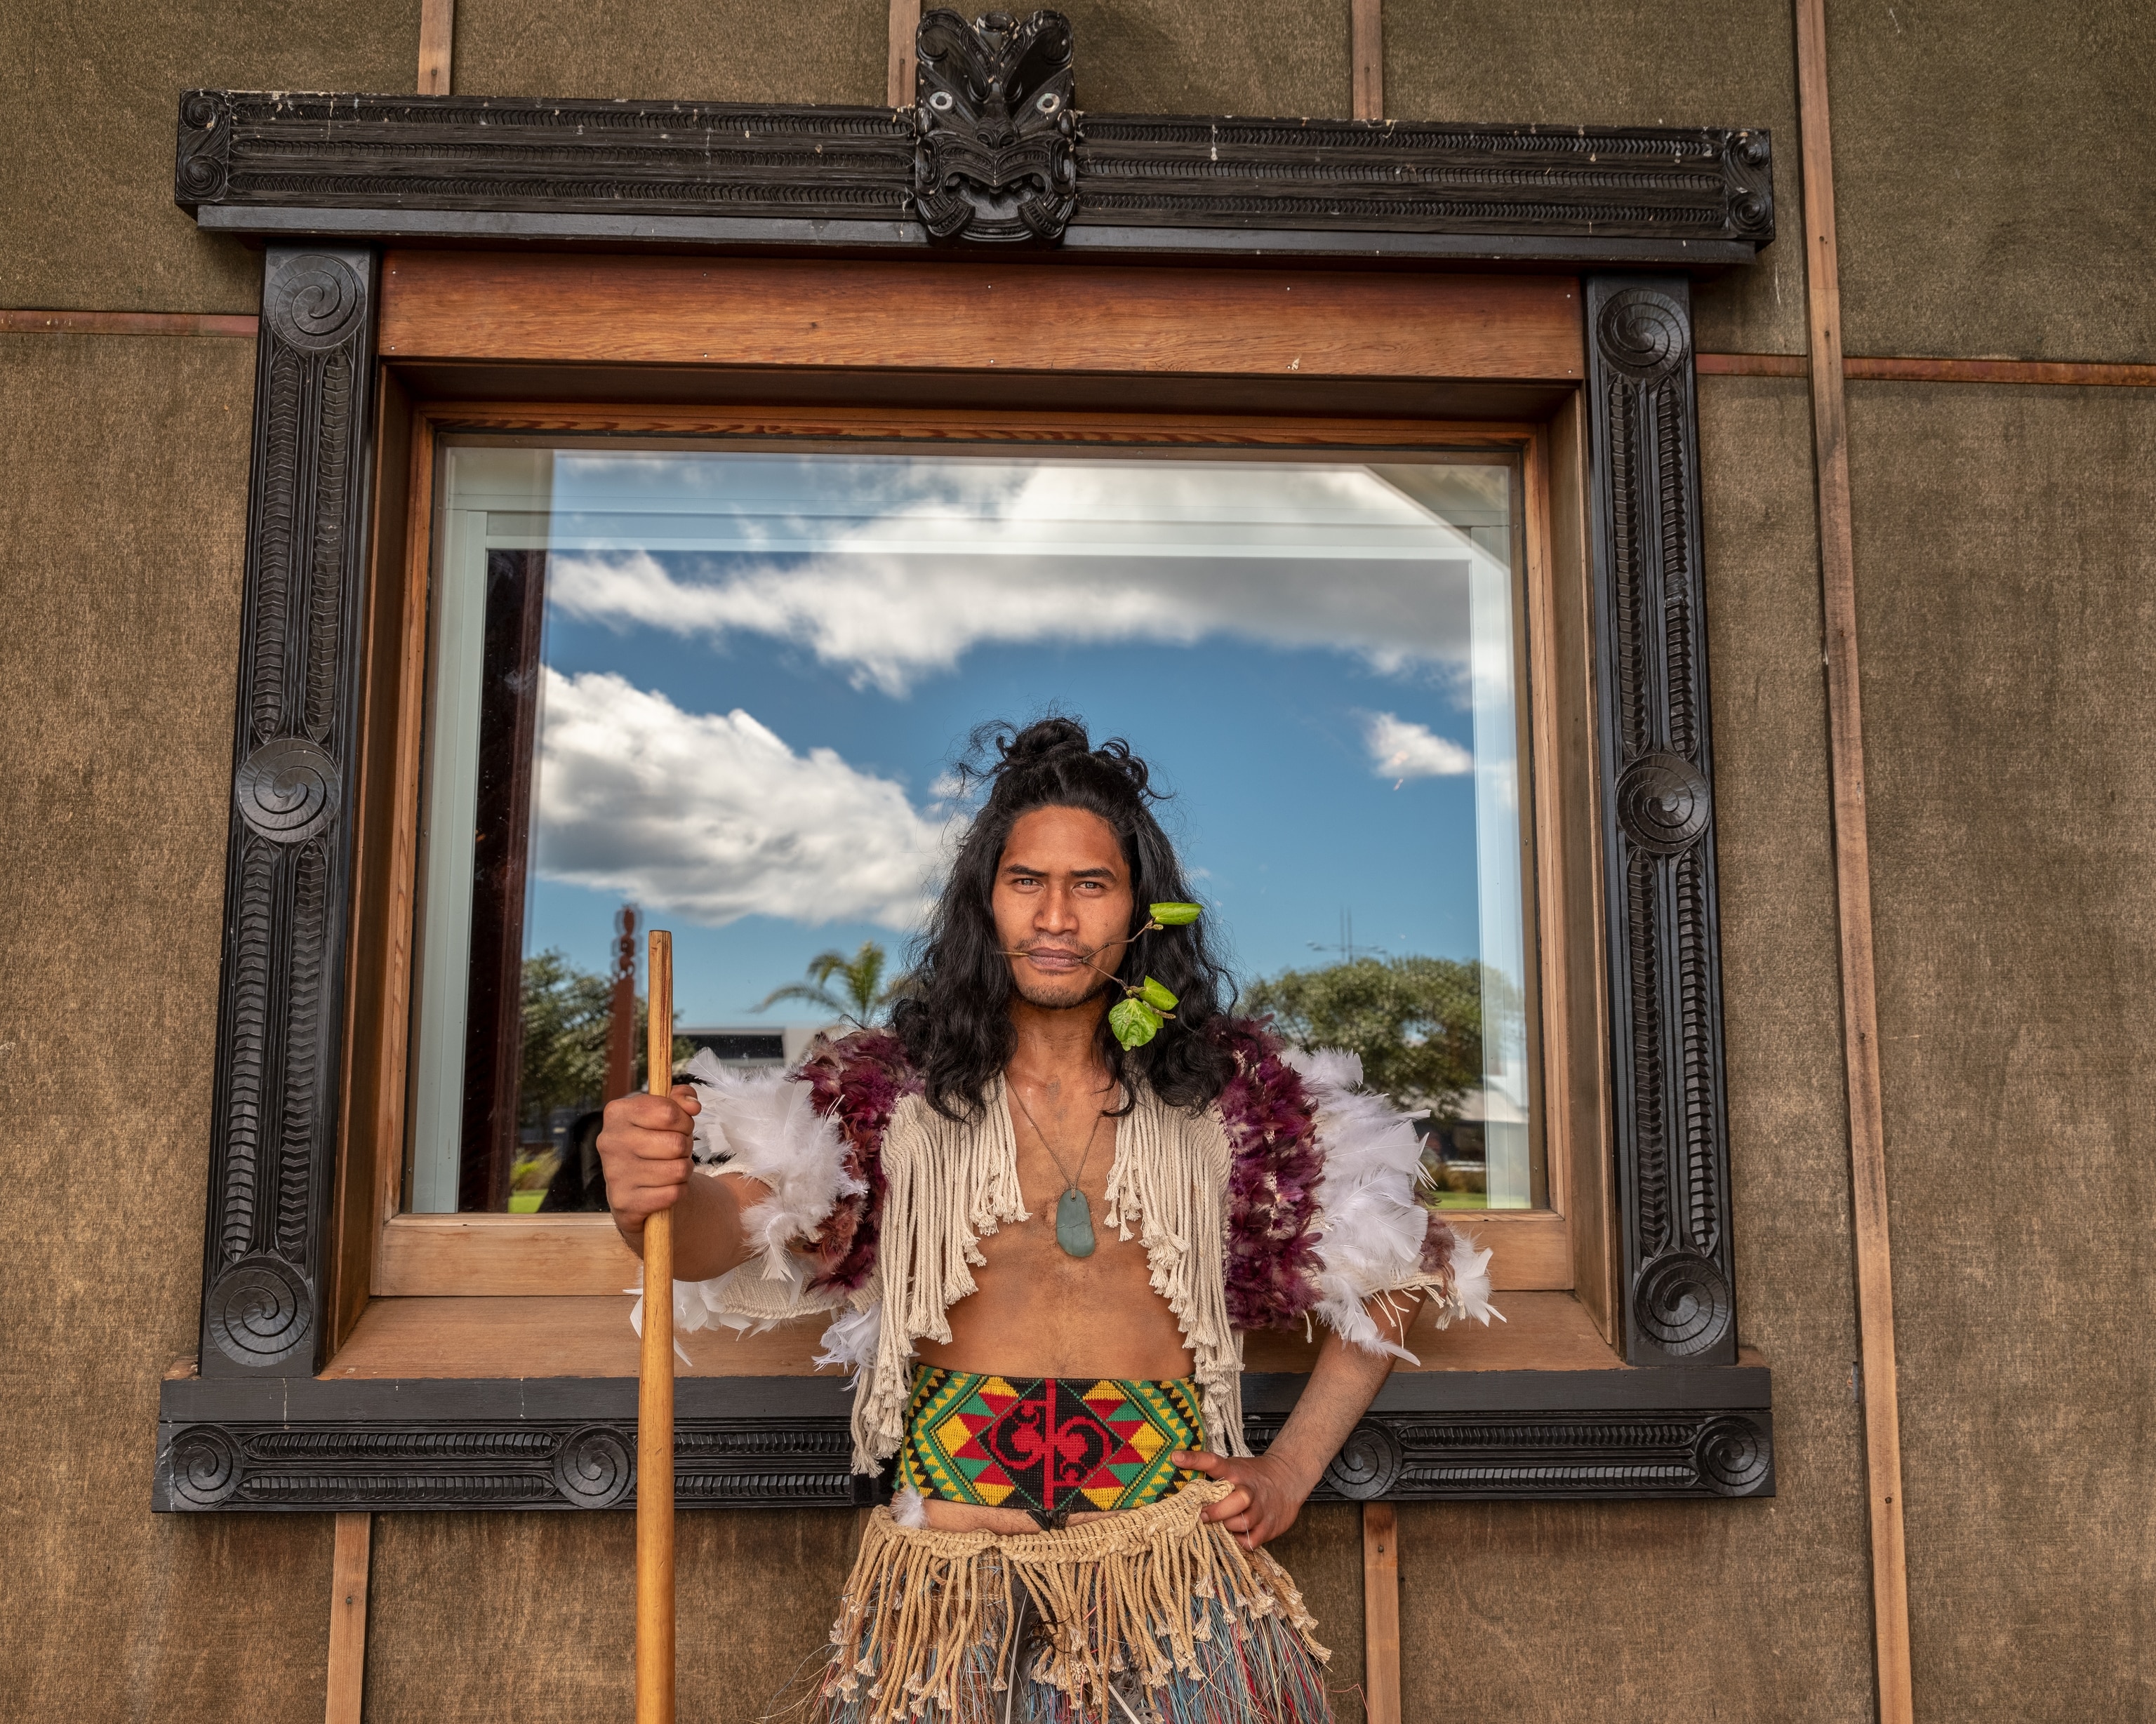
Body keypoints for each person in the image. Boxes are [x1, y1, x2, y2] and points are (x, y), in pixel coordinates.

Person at [597, 718, 1496, 1723]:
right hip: (945, 1588)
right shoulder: (891, 1096)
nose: (1057, 914)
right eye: (1027, 880)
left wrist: (1289, 1468)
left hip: (1170, 1582)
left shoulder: (1231, 1101)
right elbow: (731, 1226)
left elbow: (1395, 1256)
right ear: (987, 903)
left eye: (1092, 884)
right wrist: (660, 1194)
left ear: (1141, 910)